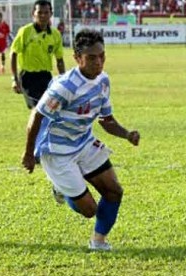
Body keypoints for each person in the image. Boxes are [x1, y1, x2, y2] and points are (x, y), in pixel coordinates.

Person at [21, 28, 140, 251]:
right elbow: (36, 115)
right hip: (57, 151)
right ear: (77, 58)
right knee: (89, 210)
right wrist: (29, 153)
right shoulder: (65, 87)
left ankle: (98, 241)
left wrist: (126, 134)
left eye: (102, 55)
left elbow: (106, 119)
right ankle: (62, 188)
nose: (99, 62)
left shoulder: (103, 81)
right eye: (91, 57)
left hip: (83, 142)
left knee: (114, 191)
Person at [11, 0, 66, 109]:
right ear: (33, 14)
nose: (43, 16)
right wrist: (15, 79)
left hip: (46, 76)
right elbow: (13, 54)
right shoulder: (25, 31)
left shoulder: (55, 35)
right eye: (39, 12)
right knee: (38, 108)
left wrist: (64, 80)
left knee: (51, 109)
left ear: (51, 14)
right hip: (28, 77)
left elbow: (59, 59)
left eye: (46, 13)